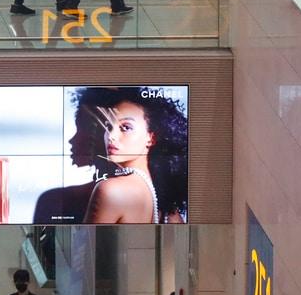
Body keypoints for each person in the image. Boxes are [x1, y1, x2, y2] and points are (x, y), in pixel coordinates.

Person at [34, 86, 189, 224]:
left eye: (126, 127)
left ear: (151, 137)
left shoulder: (109, 191)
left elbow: (85, 255)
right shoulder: (168, 210)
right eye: (108, 126)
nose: (111, 136)